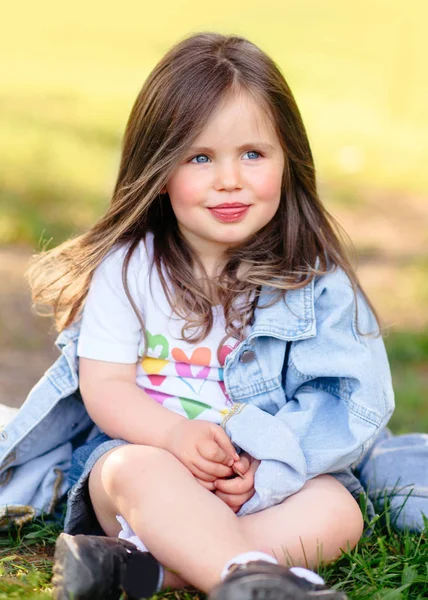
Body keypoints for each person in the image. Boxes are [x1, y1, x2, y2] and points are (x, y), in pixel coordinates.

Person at [3, 32, 397, 600]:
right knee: (128, 471)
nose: (229, 179)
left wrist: (265, 468)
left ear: (289, 161)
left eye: (253, 154)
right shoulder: (130, 269)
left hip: (263, 480)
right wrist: (173, 435)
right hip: (152, 466)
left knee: (337, 509)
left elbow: (344, 399)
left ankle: (160, 571)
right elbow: (105, 387)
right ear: (160, 170)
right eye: (200, 157)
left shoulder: (313, 281)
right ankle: (253, 577)